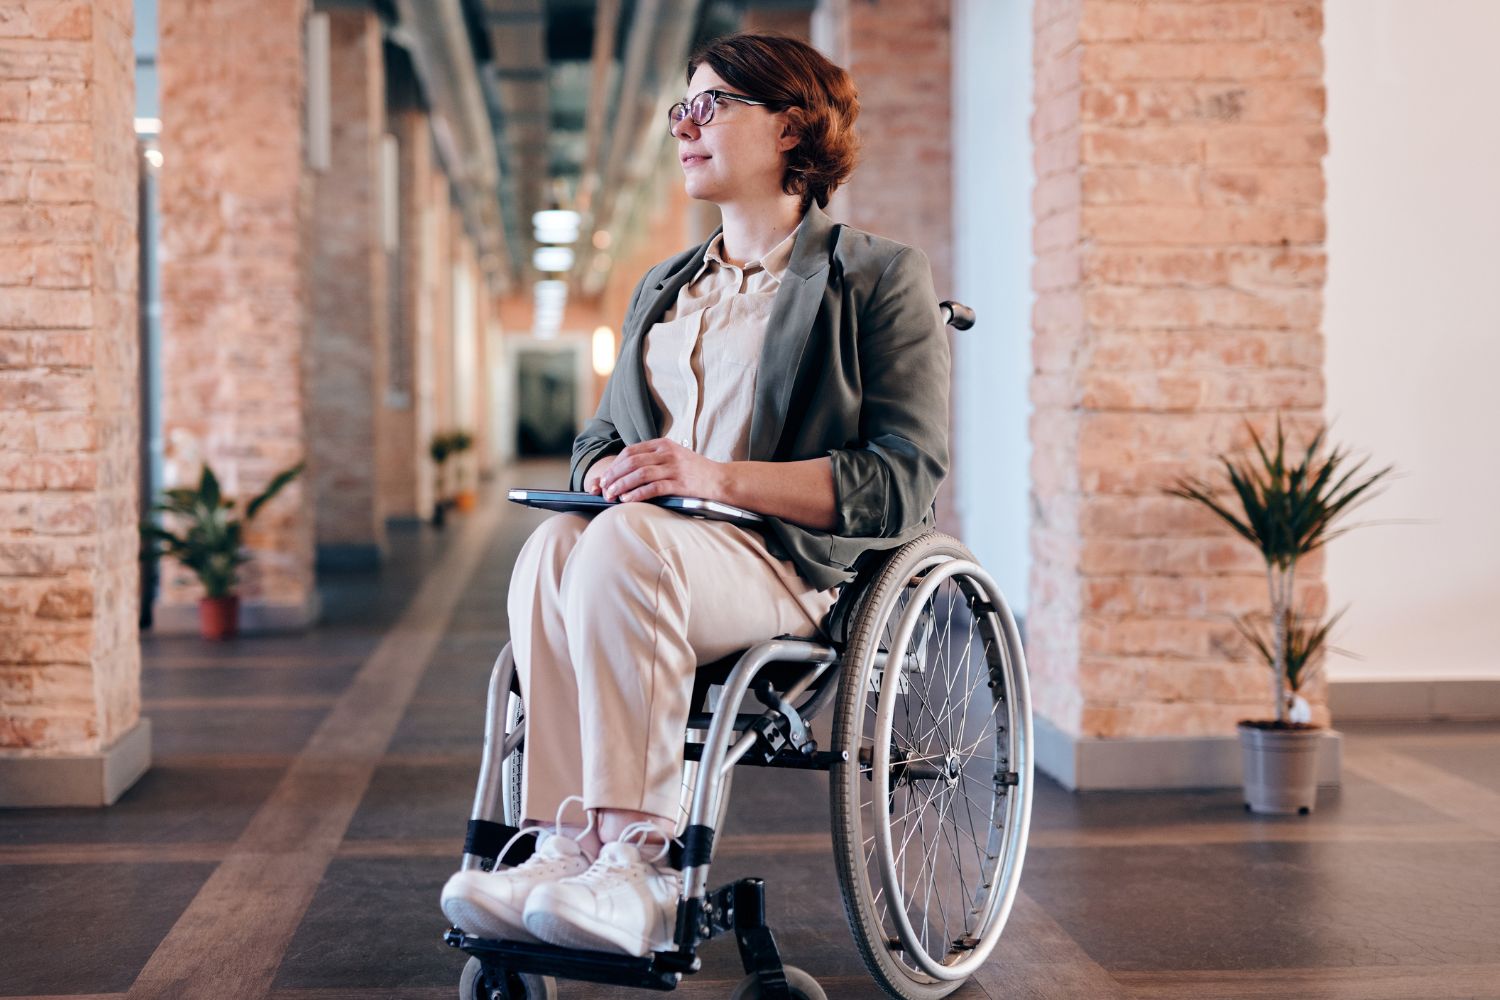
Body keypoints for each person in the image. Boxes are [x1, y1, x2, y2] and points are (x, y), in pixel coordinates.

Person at [440, 31, 950, 958]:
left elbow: (904, 480)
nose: (684, 124)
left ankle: (639, 862)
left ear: (792, 127)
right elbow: (601, 433)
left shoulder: (874, 277)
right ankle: (565, 844)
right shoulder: (665, 286)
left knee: (623, 544)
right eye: (680, 106)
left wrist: (714, 478)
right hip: (646, 554)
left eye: (710, 104)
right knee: (554, 546)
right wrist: (602, 470)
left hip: (779, 566)